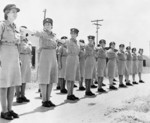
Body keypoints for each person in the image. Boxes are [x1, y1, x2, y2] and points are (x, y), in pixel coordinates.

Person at [0, 4, 21, 120]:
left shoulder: (14, 27)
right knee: (4, 84)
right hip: (4, 55)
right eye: (13, 11)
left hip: (14, 55)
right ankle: (3, 111)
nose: (15, 14)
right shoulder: (2, 25)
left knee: (12, 83)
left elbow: (17, 44)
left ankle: (10, 108)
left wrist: (19, 59)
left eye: (16, 12)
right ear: (7, 13)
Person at [38, 18, 57, 107]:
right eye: (46, 24)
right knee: (44, 78)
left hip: (53, 56)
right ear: (43, 26)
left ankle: (48, 99)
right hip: (45, 55)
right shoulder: (42, 34)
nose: (47, 26)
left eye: (49, 24)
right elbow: (36, 32)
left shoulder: (54, 35)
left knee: (51, 78)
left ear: (52, 26)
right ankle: (44, 100)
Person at [15, 26, 31, 103]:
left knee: (24, 78)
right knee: (19, 78)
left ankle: (23, 95)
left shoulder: (27, 41)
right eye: (21, 31)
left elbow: (30, 51)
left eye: (24, 31)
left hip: (27, 59)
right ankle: (18, 96)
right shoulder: (18, 39)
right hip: (20, 58)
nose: (22, 32)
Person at [65, 28, 80, 101]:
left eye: (74, 33)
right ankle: (69, 94)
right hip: (70, 58)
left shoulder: (77, 43)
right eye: (72, 33)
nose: (73, 35)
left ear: (77, 35)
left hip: (76, 59)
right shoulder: (68, 41)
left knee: (73, 77)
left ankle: (71, 93)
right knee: (69, 77)